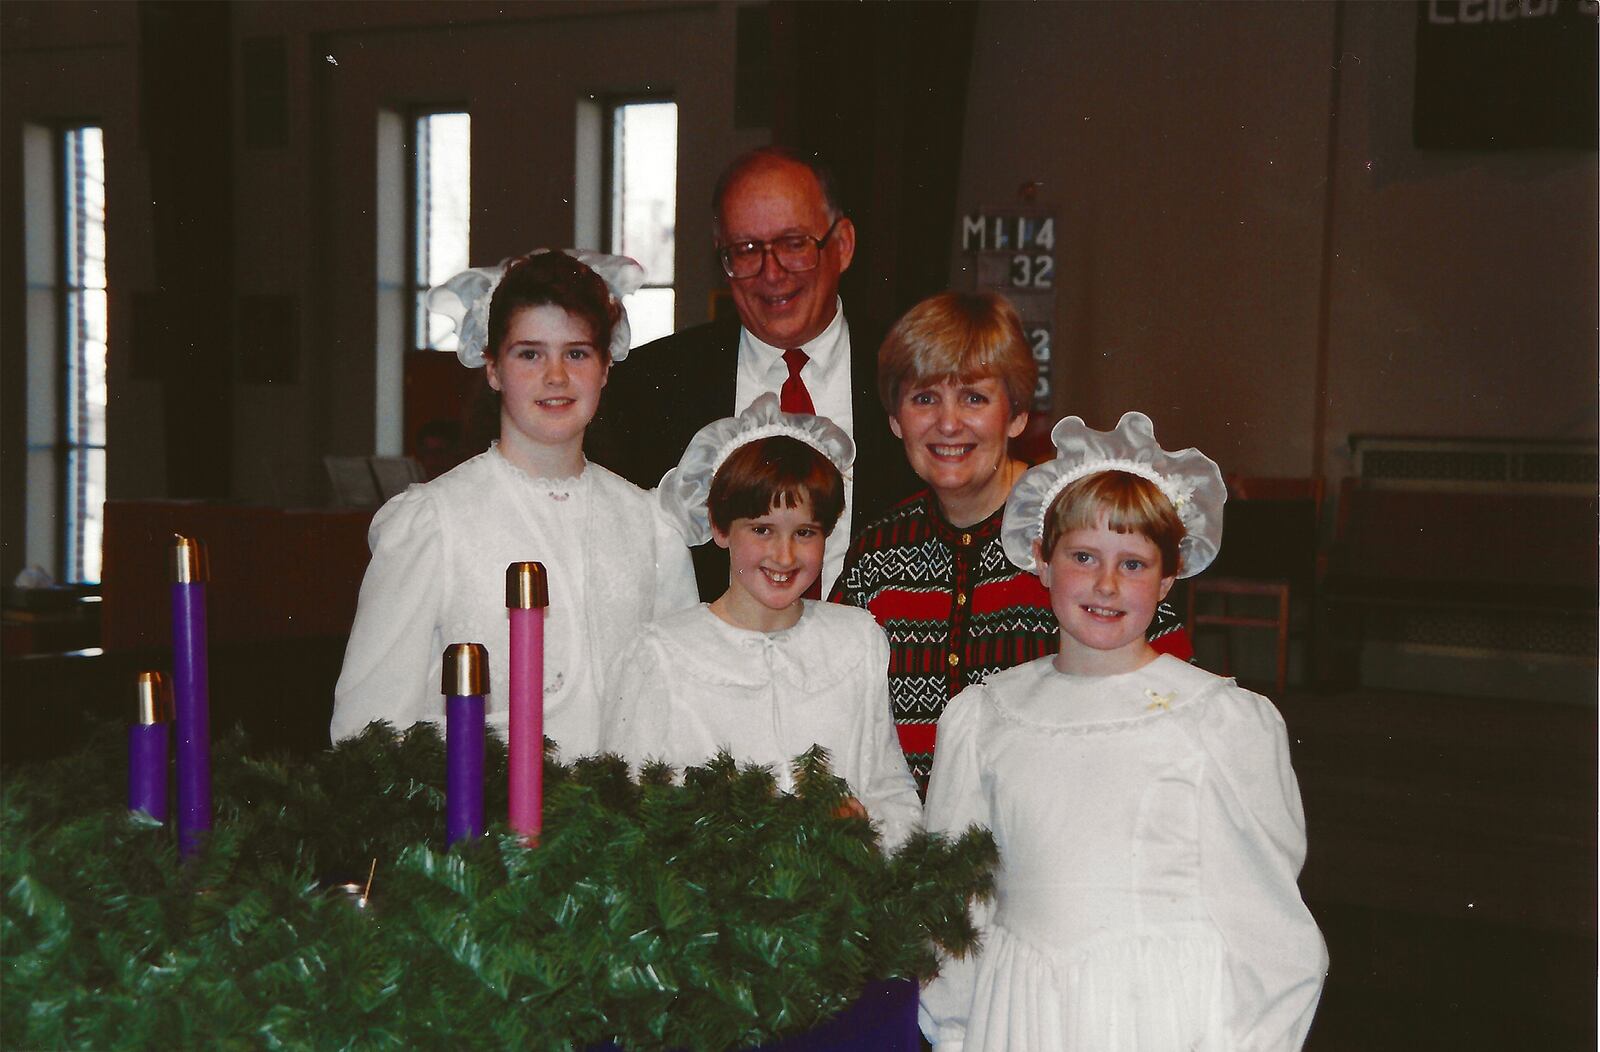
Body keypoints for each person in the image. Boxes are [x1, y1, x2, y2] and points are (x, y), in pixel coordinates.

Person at [919, 411, 1327, 1052]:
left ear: (1168, 580)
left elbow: (1267, 927)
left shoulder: (1217, 722)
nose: (1106, 584)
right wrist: (956, 1029)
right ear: (1043, 561)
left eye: (1134, 564)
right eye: (1083, 556)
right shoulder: (986, 715)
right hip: (1021, 1012)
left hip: (1155, 1016)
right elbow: (959, 904)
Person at [331, 250, 698, 754]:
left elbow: (682, 706)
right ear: (493, 369)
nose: (555, 376)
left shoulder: (649, 523)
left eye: (577, 353)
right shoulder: (435, 523)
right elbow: (368, 730)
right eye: (529, 353)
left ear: (605, 368)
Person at [831, 291, 1191, 788]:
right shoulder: (876, 554)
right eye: (924, 398)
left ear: (1018, 415)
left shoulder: (1078, 534)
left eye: (974, 397)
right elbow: (837, 705)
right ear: (895, 419)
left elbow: (1171, 696)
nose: (949, 422)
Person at [589, 146, 918, 600]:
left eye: (794, 244)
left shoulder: (912, 376)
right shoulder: (649, 385)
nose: (772, 273)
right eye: (745, 250)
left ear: (842, 246)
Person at [601, 394, 922, 852]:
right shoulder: (662, 656)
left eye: (804, 533)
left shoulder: (856, 640)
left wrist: (864, 826)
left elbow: (892, 790)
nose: (784, 556)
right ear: (719, 526)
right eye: (762, 529)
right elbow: (631, 816)